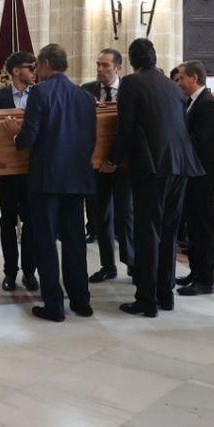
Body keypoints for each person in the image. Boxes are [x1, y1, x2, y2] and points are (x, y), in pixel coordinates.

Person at [104, 38, 202, 316]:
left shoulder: (132, 83)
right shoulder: (172, 86)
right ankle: (165, 295)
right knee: (169, 232)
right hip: (180, 164)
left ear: (131, 60)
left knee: (147, 232)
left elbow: (125, 128)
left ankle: (147, 300)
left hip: (152, 166)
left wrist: (113, 160)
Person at [6, 43, 96, 322]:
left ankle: (54, 306)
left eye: (37, 66)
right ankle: (81, 301)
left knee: (45, 241)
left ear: (45, 64)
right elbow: (91, 139)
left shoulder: (40, 92)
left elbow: (29, 136)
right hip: (76, 178)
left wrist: (15, 135)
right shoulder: (84, 96)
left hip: (46, 179)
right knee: (75, 241)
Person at [0, 51, 38, 292]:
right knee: (7, 221)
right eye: (30, 67)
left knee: (31, 222)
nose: (34, 72)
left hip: (31, 169)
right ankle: (10, 272)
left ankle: (29, 271)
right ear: (16, 71)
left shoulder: (38, 95)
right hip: (6, 171)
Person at [174, 60, 214, 295]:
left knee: (203, 228)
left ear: (194, 78)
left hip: (204, 175)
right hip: (194, 174)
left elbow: (199, 141)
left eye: (182, 78)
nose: (179, 82)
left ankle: (205, 279)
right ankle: (195, 271)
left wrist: (174, 141)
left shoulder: (208, 104)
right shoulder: (192, 102)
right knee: (193, 226)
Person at [83, 48, 133, 282]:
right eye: (98, 64)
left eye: (105, 65)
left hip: (123, 165)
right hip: (97, 166)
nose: (100, 69)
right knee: (100, 216)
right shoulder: (87, 90)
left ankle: (132, 264)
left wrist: (115, 160)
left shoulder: (129, 91)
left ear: (118, 68)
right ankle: (107, 266)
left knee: (126, 214)